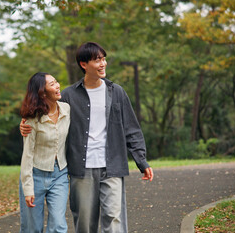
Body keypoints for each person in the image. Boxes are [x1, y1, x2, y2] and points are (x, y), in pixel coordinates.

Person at [20, 42, 154, 233]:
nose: (103, 64)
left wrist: (142, 161)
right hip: (81, 169)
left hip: (113, 165)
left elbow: (131, 129)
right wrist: (24, 124)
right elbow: (44, 116)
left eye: (103, 59)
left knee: (115, 219)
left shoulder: (117, 93)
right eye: (97, 60)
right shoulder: (68, 96)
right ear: (84, 64)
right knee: (84, 222)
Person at [18, 72, 70, 233]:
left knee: (59, 226)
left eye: (57, 82)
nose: (58, 85)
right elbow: (27, 155)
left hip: (60, 174)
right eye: (52, 84)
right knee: (32, 228)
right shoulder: (32, 119)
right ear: (42, 92)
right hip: (35, 176)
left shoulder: (67, 110)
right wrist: (28, 189)